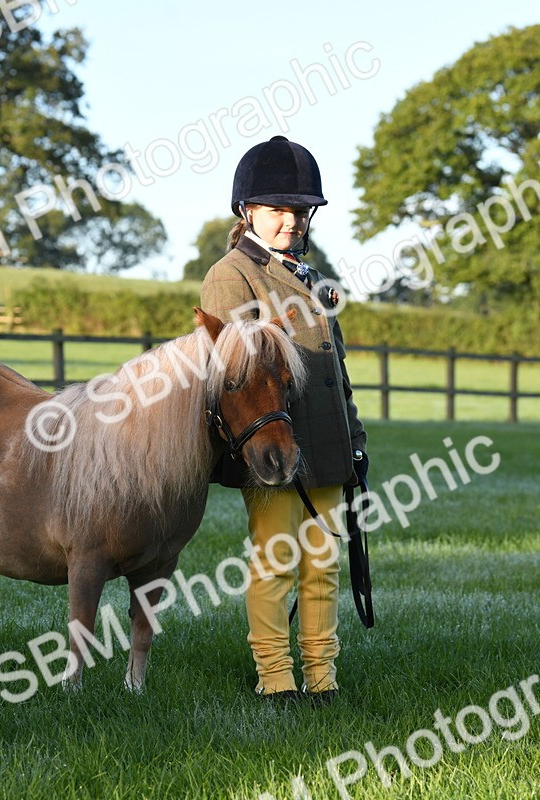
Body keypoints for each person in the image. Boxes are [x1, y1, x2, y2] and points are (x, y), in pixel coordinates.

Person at [200, 135, 367, 704]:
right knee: (275, 562)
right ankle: (275, 679)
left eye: (300, 211)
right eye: (278, 211)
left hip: (326, 443)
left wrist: (355, 440)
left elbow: (335, 370)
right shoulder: (232, 274)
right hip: (273, 440)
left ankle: (323, 679)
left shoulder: (314, 276)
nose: (291, 221)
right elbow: (236, 371)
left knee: (323, 567)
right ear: (248, 211)